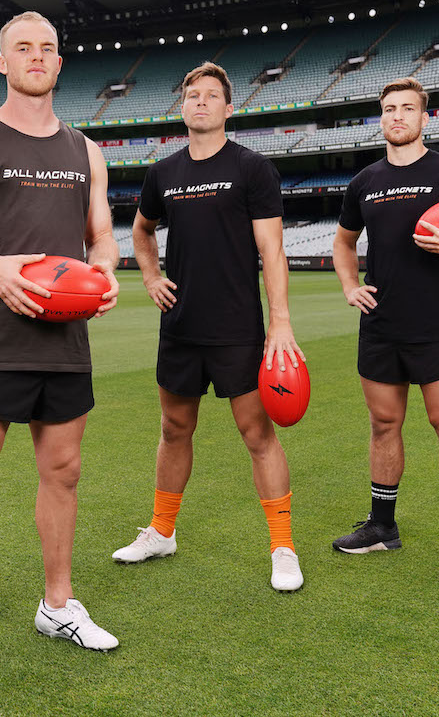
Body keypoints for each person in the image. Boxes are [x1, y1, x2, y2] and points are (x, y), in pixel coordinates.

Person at [0, 11, 121, 682]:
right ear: (2, 63)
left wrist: (105, 273)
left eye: (47, 48)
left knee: (63, 471)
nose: (36, 57)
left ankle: (57, 605)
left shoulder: (86, 151)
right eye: (22, 48)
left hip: (66, 342)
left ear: (59, 63)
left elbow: (102, 236)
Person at [111, 62, 306, 592]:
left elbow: (272, 250)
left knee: (257, 434)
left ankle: (283, 547)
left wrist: (280, 323)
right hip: (180, 325)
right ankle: (161, 531)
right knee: (174, 429)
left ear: (228, 107)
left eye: (211, 95)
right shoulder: (162, 173)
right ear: (183, 107)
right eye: (192, 94)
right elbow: (141, 230)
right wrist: (150, 275)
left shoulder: (252, 168)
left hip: (238, 327)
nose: (200, 101)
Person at [331, 77, 439, 577]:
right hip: (380, 324)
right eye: (389, 109)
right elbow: (343, 242)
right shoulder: (364, 182)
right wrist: (350, 285)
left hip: (436, 322)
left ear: (424, 118)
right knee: (383, 424)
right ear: (381, 118)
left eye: (408, 108)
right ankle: (382, 527)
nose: (398, 116)